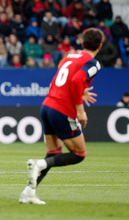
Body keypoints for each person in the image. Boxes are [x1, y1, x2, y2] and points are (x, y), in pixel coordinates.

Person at [19, 27, 104, 204]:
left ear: (82, 42)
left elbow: (62, 79)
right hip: (62, 110)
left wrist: (79, 93)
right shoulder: (93, 62)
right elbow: (76, 80)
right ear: (100, 46)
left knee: (53, 153)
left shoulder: (70, 56)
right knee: (79, 154)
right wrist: (80, 110)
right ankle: (38, 165)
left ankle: (28, 192)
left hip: (47, 106)